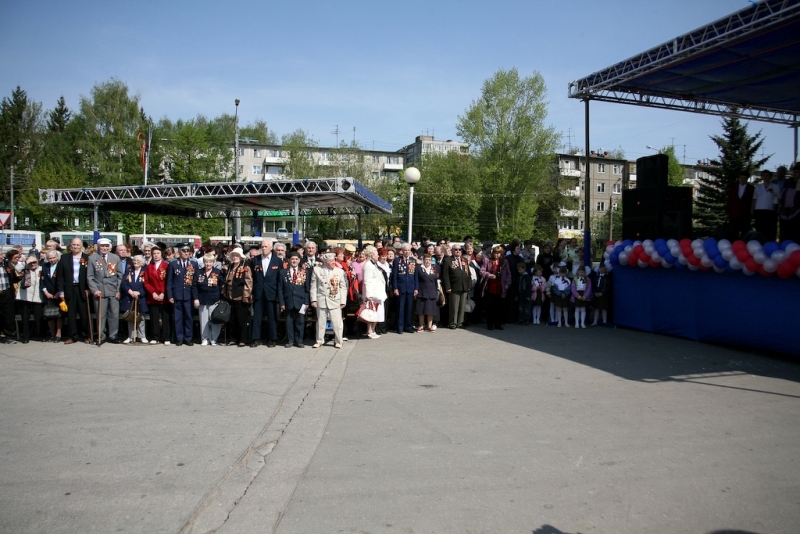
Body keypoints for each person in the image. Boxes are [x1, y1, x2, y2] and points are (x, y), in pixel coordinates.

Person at [87, 238, 122, 344]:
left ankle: (113, 335)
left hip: (113, 290)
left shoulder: (115, 258)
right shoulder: (92, 258)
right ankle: (101, 336)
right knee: (100, 315)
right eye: (102, 246)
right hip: (100, 291)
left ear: (110, 247)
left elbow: (120, 276)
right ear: (99, 247)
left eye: (107, 246)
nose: (104, 248)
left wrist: (118, 290)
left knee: (114, 315)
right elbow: (90, 277)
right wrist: (94, 290)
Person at [56, 238, 90, 344]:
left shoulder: (87, 258)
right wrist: (61, 291)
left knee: (84, 314)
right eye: (73, 245)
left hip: (82, 289)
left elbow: (90, 275)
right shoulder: (64, 258)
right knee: (71, 314)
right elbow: (60, 276)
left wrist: (89, 288)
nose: (75, 247)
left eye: (77, 245)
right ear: (70, 246)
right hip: (69, 289)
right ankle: (72, 336)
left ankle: (86, 335)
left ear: (81, 246)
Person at [310, 252, 347, 349]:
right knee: (320, 322)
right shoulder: (317, 270)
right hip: (321, 299)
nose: (333, 262)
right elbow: (313, 286)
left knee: (337, 322)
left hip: (335, 299)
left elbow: (343, 287)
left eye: (334, 260)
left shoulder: (339, 271)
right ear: (325, 262)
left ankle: (338, 341)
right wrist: (313, 300)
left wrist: (343, 301)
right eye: (331, 261)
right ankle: (319, 341)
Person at [251, 239, 282, 348]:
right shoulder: (255, 260)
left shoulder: (277, 261)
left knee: (272, 317)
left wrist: (278, 294)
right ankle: (256, 338)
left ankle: (272, 339)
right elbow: (252, 277)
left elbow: (279, 279)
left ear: (271, 248)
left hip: (271, 292)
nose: (263, 248)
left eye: (266, 246)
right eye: (262, 246)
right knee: (257, 317)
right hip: (258, 292)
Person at [166, 243, 198, 346]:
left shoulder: (193, 263)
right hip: (177, 295)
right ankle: (179, 338)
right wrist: (170, 295)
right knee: (178, 318)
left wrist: (195, 297)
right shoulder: (173, 264)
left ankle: (188, 338)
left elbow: (195, 281)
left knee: (189, 317)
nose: (186, 253)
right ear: (179, 252)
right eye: (184, 251)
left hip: (188, 295)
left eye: (188, 251)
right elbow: (169, 281)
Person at [278, 251, 310, 348]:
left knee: (300, 321)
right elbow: (280, 289)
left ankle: (299, 340)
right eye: (292, 259)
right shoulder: (283, 272)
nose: (294, 261)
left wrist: (307, 302)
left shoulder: (304, 272)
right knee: (289, 321)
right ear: (289, 260)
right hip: (288, 301)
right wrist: (282, 303)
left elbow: (307, 289)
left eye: (296, 259)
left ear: (299, 260)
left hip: (301, 301)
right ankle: (290, 340)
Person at [223, 247, 253, 347]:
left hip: (241, 296)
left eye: (237, 256)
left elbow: (248, 282)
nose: (235, 257)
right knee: (232, 319)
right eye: (233, 256)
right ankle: (233, 338)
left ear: (241, 257)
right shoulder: (230, 267)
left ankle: (242, 339)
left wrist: (246, 295)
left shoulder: (245, 267)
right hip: (230, 296)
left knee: (241, 319)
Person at [144, 246, 172, 345]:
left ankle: (166, 337)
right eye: (154, 253)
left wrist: (164, 293)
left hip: (164, 296)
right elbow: (146, 281)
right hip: (153, 296)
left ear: (161, 254)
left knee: (166, 318)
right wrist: (153, 292)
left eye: (158, 253)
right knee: (154, 317)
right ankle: (155, 336)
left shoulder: (166, 266)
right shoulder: (149, 267)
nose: (156, 255)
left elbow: (168, 281)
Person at [441, 244, 471, 329]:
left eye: (459, 249)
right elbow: (445, 275)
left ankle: (460, 322)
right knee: (454, 306)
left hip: (464, 286)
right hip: (454, 286)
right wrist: (447, 287)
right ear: (452, 250)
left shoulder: (464, 259)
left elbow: (468, 273)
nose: (458, 251)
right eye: (456, 249)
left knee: (462, 306)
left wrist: (469, 284)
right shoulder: (448, 260)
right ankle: (452, 322)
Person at [196, 252, 223, 346]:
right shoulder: (199, 272)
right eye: (206, 262)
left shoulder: (217, 272)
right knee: (204, 320)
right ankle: (205, 338)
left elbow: (221, 285)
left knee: (214, 320)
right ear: (204, 262)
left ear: (213, 262)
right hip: (202, 299)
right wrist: (196, 298)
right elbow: (195, 286)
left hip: (214, 299)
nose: (208, 264)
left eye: (210, 262)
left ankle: (213, 339)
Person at [120, 255, 148, 343]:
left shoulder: (145, 270)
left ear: (142, 262)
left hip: (140, 297)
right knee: (130, 317)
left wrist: (139, 292)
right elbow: (123, 283)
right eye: (134, 260)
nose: (136, 262)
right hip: (129, 296)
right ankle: (131, 336)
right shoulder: (129, 270)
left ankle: (142, 336)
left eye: (138, 261)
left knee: (141, 317)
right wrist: (130, 291)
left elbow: (147, 283)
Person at [361, 245, 387, 339]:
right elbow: (367, 281)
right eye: (376, 254)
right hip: (373, 293)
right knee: (371, 313)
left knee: (376, 313)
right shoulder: (368, 265)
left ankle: (373, 330)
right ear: (372, 255)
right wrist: (369, 295)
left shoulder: (373, 264)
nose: (378, 256)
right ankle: (370, 330)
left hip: (378, 293)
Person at [391, 243, 419, 334]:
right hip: (401, 288)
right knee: (400, 309)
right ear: (402, 251)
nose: (407, 252)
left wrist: (416, 288)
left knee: (409, 309)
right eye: (405, 250)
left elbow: (415, 276)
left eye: (408, 250)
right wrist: (395, 288)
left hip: (410, 288)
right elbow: (394, 276)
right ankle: (400, 327)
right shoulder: (397, 260)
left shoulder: (413, 261)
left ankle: (408, 326)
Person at [16, 256, 43, 343]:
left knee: (38, 317)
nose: (33, 264)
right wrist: (26, 262)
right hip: (25, 296)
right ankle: (25, 337)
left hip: (37, 296)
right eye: (31, 263)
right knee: (25, 317)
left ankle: (39, 335)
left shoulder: (41, 269)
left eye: (34, 262)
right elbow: (16, 268)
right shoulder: (24, 268)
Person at [481, 246, 505, 331]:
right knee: (490, 307)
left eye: (498, 253)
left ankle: (498, 324)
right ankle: (490, 324)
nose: (496, 255)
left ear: (501, 254)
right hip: (490, 286)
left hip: (500, 286)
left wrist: (507, 283)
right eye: (495, 253)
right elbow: (482, 271)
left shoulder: (504, 262)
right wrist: (488, 275)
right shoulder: (487, 260)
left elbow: (508, 274)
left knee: (499, 307)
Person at [41, 250, 63, 342]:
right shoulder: (45, 266)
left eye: (53, 258)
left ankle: (59, 334)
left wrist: (59, 292)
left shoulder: (61, 265)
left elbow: (63, 280)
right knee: (49, 315)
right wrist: (45, 292)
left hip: (58, 293)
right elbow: (42, 280)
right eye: (50, 258)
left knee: (59, 315)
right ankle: (52, 334)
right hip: (48, 294)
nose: (52, 260)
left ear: (57, 257)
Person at [752, 169, 780, 241]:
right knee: (759, 228)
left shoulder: (775, 186)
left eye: (767, 175)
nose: (765, 177)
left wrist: (779, 208)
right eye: (763, 175)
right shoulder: (758, 186)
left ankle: (770, 242)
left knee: (769, 228)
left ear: (770, 176)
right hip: (759, 209)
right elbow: (754, 198)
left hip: (770, 210)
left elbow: (779, 198)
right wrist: (752, 209)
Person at [415, 253, 440, 332]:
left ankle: (429, 326)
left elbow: (436, 281)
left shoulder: (434, 268)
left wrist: (436, 290)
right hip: (422, 291)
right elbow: (416, 280)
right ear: (423, 260)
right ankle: (421, 326)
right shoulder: (419, 268)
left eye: (429, 260)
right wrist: (416, 289)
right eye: (426, 259)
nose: (428, 261)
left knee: (430, 310)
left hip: (431, 291)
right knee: (421, 310)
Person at [726, 172, 755, 240]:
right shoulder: (734, 187)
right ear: (738, 178)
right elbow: (730, 199)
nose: (742, 180)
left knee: (745, 231)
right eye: (741, 178)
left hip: (745, 214)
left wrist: (752, 211)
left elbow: (752, 201)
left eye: (744, 178)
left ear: (747, 179)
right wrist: (727, 211)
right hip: (734, 213)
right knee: (734, 231)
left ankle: (743, 243)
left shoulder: (751, 188)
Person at [779, 164, 800, 243]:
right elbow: (782, 194)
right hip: (785, 211)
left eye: (797, 172)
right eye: (794, 172)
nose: (795, 173)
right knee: (785, 231)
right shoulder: (788, 182)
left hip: (797, 211)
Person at [591, 262, 611, 326]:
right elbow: (593, 285)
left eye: (603, 268)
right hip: (596, 293)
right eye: (600, 268)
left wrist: (602, 293)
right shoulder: (596, 277)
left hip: (603, 294)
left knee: (604, 308)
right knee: (596, 307)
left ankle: (604, 321)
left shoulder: (607, 277)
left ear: (605, 269)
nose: (601, 269)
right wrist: (595, 292)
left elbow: (609, 287)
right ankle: (595, 321)